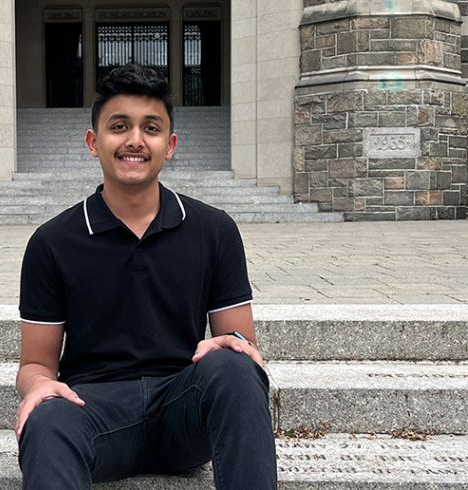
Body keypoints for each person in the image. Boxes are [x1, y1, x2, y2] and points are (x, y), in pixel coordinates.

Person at [15, 63, 277, 490]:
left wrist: (238, 347)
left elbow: (242, 347)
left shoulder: (213, 229)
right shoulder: (52, 242)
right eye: (119, 126)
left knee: (233, 364)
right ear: (92, 142)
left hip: (182, 412)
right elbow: (35, 364)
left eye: (150, 128)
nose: (135, 140)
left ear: (169, 145)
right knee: (47, 415)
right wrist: (39, 387)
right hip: (94, 412)